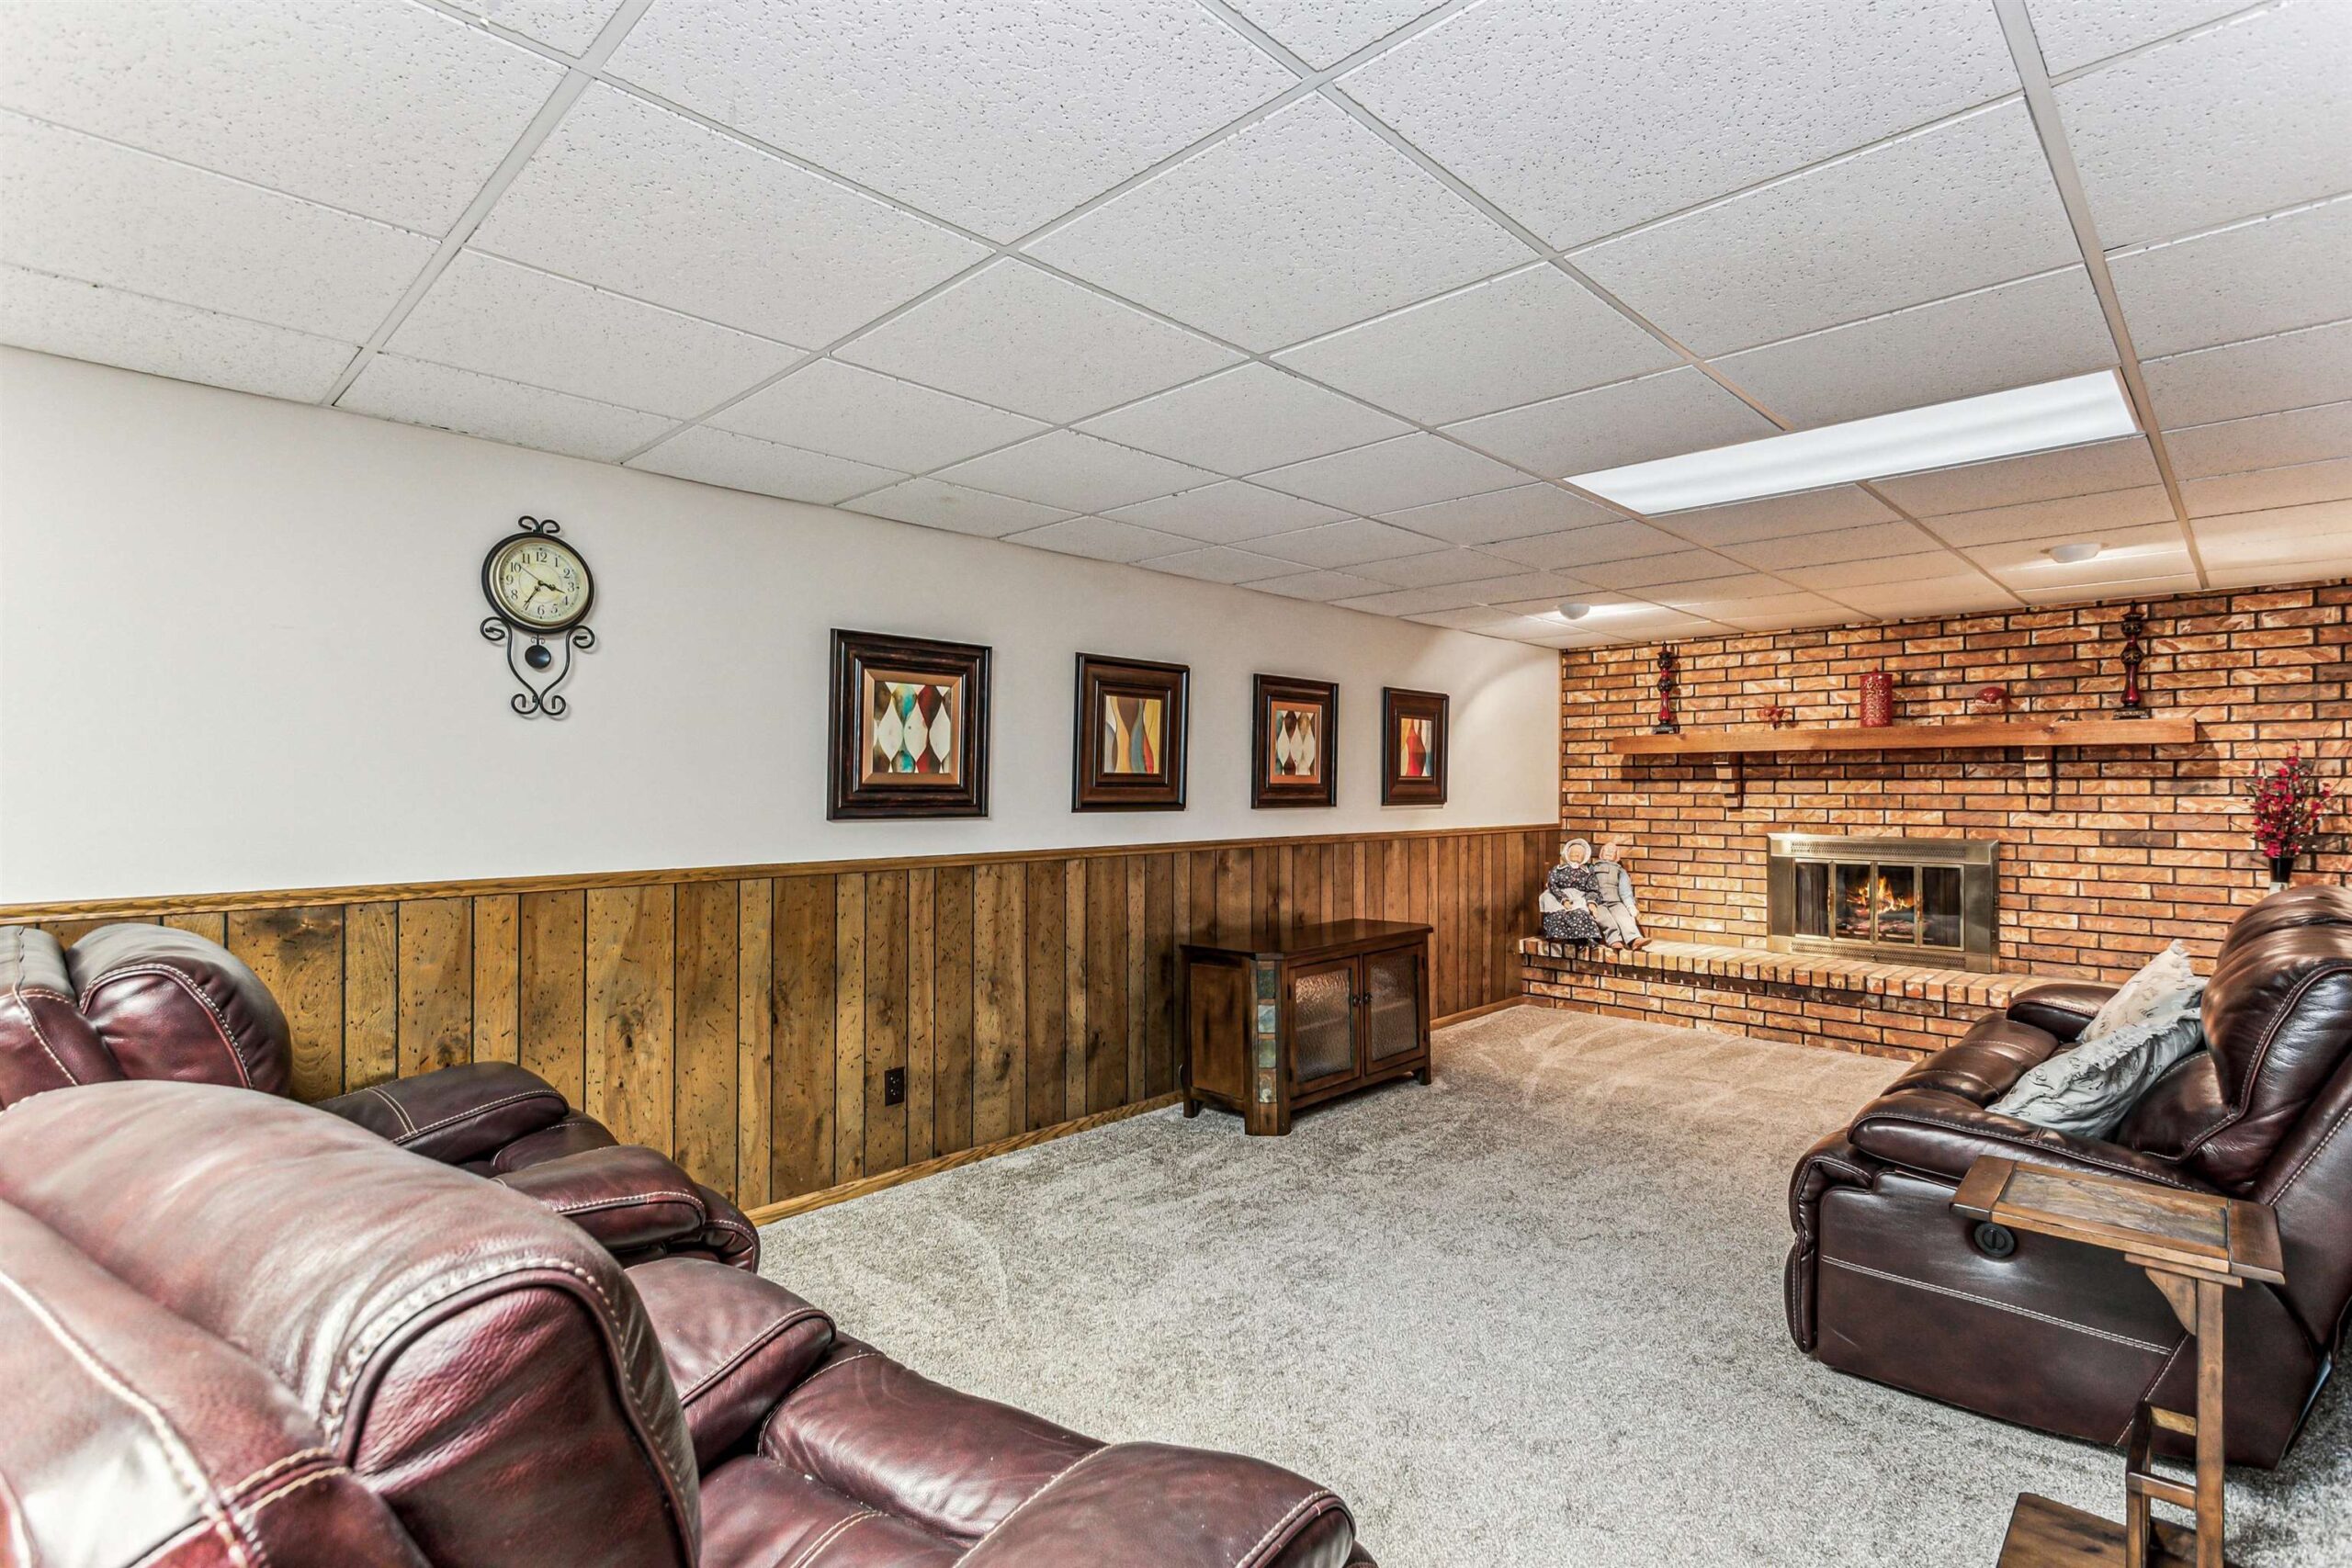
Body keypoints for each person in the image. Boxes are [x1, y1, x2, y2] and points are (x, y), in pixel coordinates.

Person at [1588, 837, 1650, 950]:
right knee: (1605, 918)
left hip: (1615, 901)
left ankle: (1634, 940)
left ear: (1617, 856)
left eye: (1612, 851)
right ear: (1601, 853)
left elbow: (1625, 890)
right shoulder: (1592, 868)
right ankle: (1614, 940)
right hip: (1598, 902)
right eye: (1607, 850)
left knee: (1624, 916)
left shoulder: (1620, 870)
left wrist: (1630, 906)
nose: (1609, 852)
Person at [1540, 839, 1603, 944]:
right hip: (1559, 895)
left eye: (1579, 853)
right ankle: (1559, 935)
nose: (1576, 854)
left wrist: (1591, 902)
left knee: (1580, 913)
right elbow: (1552, 884)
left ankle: (1583, 938)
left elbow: (1593, 889)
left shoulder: (1587, 873)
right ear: (1567, 854)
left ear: (1585, 857)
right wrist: (1564, 899)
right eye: (1573, 852)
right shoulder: (1558, 869)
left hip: (1578, 896)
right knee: (1558, 913)